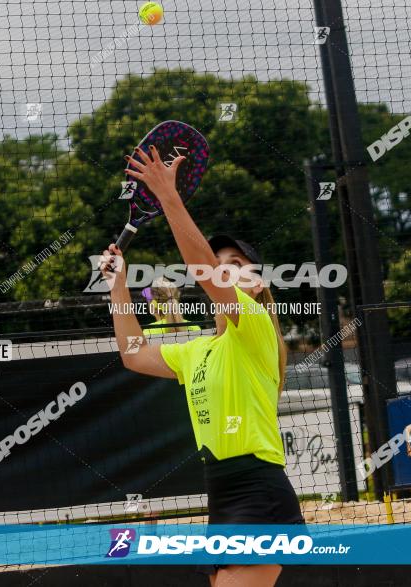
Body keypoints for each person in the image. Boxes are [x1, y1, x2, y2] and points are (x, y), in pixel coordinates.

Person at [100, 145, 303, 587]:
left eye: (237, 265)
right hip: (222, 489)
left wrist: (168, 196)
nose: (225, 270)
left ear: (257, 284)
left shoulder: (254, 327)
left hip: (258, 488)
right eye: (220, 262)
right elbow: (133, 352)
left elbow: (205, 272)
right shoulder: (197, 350)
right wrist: (118, 284)